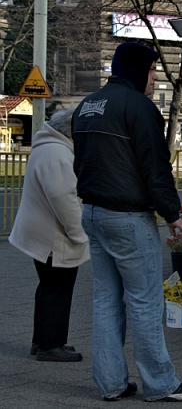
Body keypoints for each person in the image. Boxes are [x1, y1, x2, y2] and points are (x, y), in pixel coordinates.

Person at [71, 42, 182, 402]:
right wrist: (174, 215)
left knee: (106, 300)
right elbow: (155, 167)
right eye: (151, 70)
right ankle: (160, 383)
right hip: (129, 218)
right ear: (136, 70)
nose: (156, 77)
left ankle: (111, 384)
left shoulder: (86, 106)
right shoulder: (140, 107)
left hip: (93, 213)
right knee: (146, 302)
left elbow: (80, 163)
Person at [9, 109, 89, 363]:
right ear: (71, 131)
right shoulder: (57, 153)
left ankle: (42, 339)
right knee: (58, 289)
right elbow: (63, 198)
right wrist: (79, 234)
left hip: (43, 233)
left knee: (49, 288)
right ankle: (51, 344)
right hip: (53, 237)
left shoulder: (48, 147)